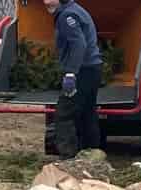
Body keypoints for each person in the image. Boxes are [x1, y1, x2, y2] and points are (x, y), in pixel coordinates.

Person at [44, 0, 104, 157]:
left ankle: (68, 159)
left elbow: (79, 45)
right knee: (87, 113)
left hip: (82, 71)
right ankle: (92, 155)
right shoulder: (75, 10)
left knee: (64, 114)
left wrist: (71, 73)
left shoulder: (67, 15)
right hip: (92, 68)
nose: (45, 1)